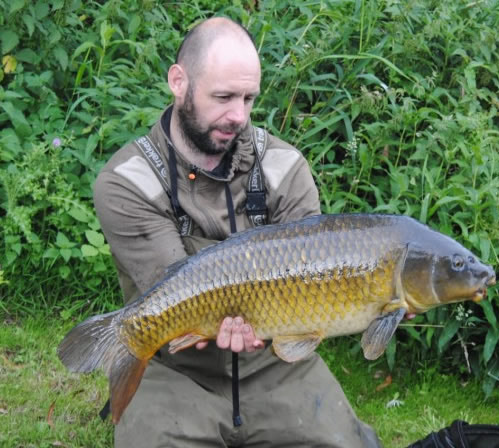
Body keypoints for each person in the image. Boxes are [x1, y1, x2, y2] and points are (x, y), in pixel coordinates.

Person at [94, 16, 382, 448]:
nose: (239, 116)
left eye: (249, 98)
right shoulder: (128, 181)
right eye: (224, 97)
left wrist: (381, 296)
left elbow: (318, 279)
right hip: (175, 368)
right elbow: (174, 292)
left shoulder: (284, 167)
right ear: (179, 82)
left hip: (274, 363)